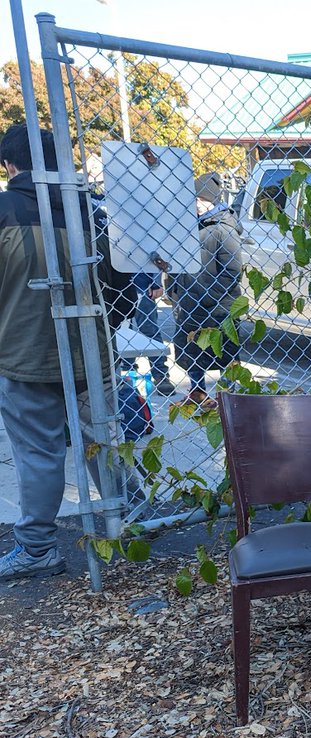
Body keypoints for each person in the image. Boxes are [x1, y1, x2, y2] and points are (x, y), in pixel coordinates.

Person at [0, 122, 142, 579]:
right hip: (90, 349)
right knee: (104, 440)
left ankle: (38, 547)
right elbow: (124, 288)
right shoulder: (90, 212)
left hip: (24, 354)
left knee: (38, 453)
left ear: (9, 165)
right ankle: (132, 519)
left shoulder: (4, 210)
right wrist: (101, 326)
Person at [169, 172, 243, 408]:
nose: (195, 204)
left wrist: (207, 295)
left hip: (217, 306)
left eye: (199, 200)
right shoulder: (191, 226)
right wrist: (173, 288)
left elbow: (232, 271)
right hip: (190, 302)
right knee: (191, 349)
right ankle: (197, 391)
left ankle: (228, 396)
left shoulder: (224, 229)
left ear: (210, 200)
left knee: (225, 352)